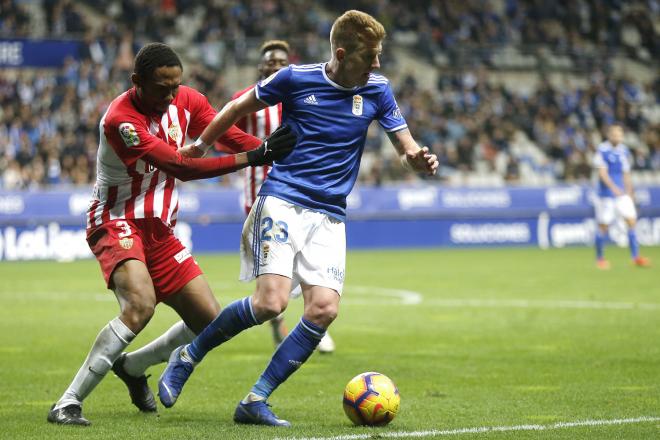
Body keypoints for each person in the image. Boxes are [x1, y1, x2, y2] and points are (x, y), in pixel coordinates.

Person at [158, 10, 438, 427]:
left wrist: (417, 160)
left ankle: (255, 399)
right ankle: (187, 355)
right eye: (370, 56)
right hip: (283, 198)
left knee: (323, 309)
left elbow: (405, 148)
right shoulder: (294, 79)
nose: (378, 64)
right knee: (270, 302)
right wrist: (201, 144)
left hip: (330, 214)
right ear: (342, 54)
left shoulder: (378, 89)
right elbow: (237, 106)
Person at [46, 42, 296, 426]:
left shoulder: (187, 101)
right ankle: (68, 401)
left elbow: (226, 135)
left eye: (175, 86)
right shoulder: (121, 121)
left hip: (160, 230)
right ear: (137, 82)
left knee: (209, 319)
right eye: (161, 87)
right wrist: (255, 157)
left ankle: (133, 367)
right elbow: (181, 166)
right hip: (116, 220)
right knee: (140, 305)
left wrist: (272, 150)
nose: (170, 95)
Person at [227, 39, 335, 353]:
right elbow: (226, 130)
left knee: (307, 258)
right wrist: (253, 153)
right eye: (269, 62)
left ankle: (309, 322)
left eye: (281, 62)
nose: (275, 66)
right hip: (261, 191)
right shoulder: (246, 100)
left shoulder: (305, 95)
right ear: (260, 67)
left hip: (300, 189)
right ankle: (285, 320)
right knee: (279, 264)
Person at [593, 123, 650, 269]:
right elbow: (602, 173)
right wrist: (613, 188)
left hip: (622, 194)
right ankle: (600, 259)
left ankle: (636, 257)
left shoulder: (624, 151)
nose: (617, 137)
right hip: (606, 195)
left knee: (631, 222)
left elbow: (626, 173)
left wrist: (630, 192)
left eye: (619, 134)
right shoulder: (602, 150)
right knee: (603, 227)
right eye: (614, 134)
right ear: (609, 135)